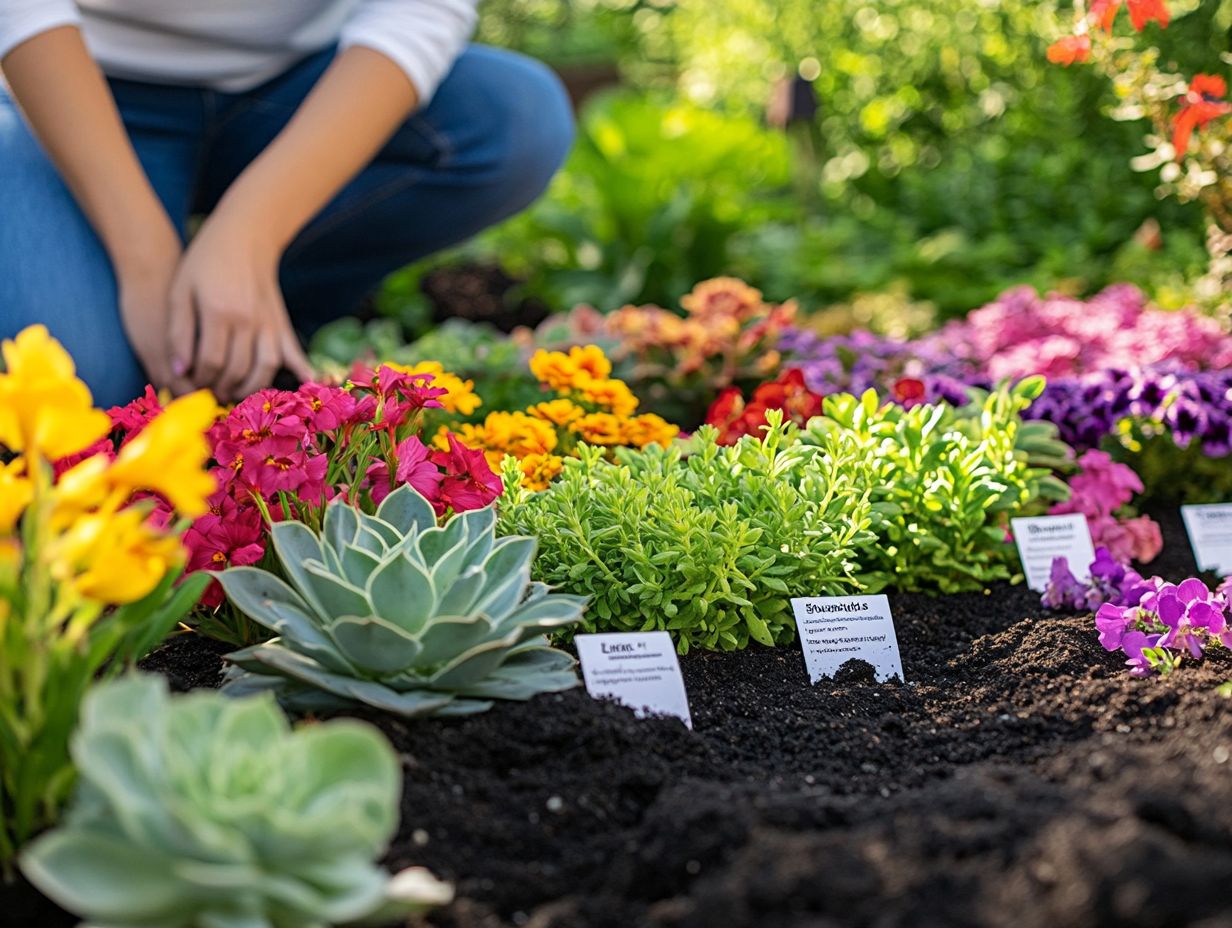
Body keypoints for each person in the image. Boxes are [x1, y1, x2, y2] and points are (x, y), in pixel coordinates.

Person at [0, 1, 574, 407]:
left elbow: (421, 9)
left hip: (299, 87)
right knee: (83, 383)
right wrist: (146, 261)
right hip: (71, 92)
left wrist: (248, 235)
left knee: (515, 121)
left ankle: (254, 307)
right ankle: (208, 307)